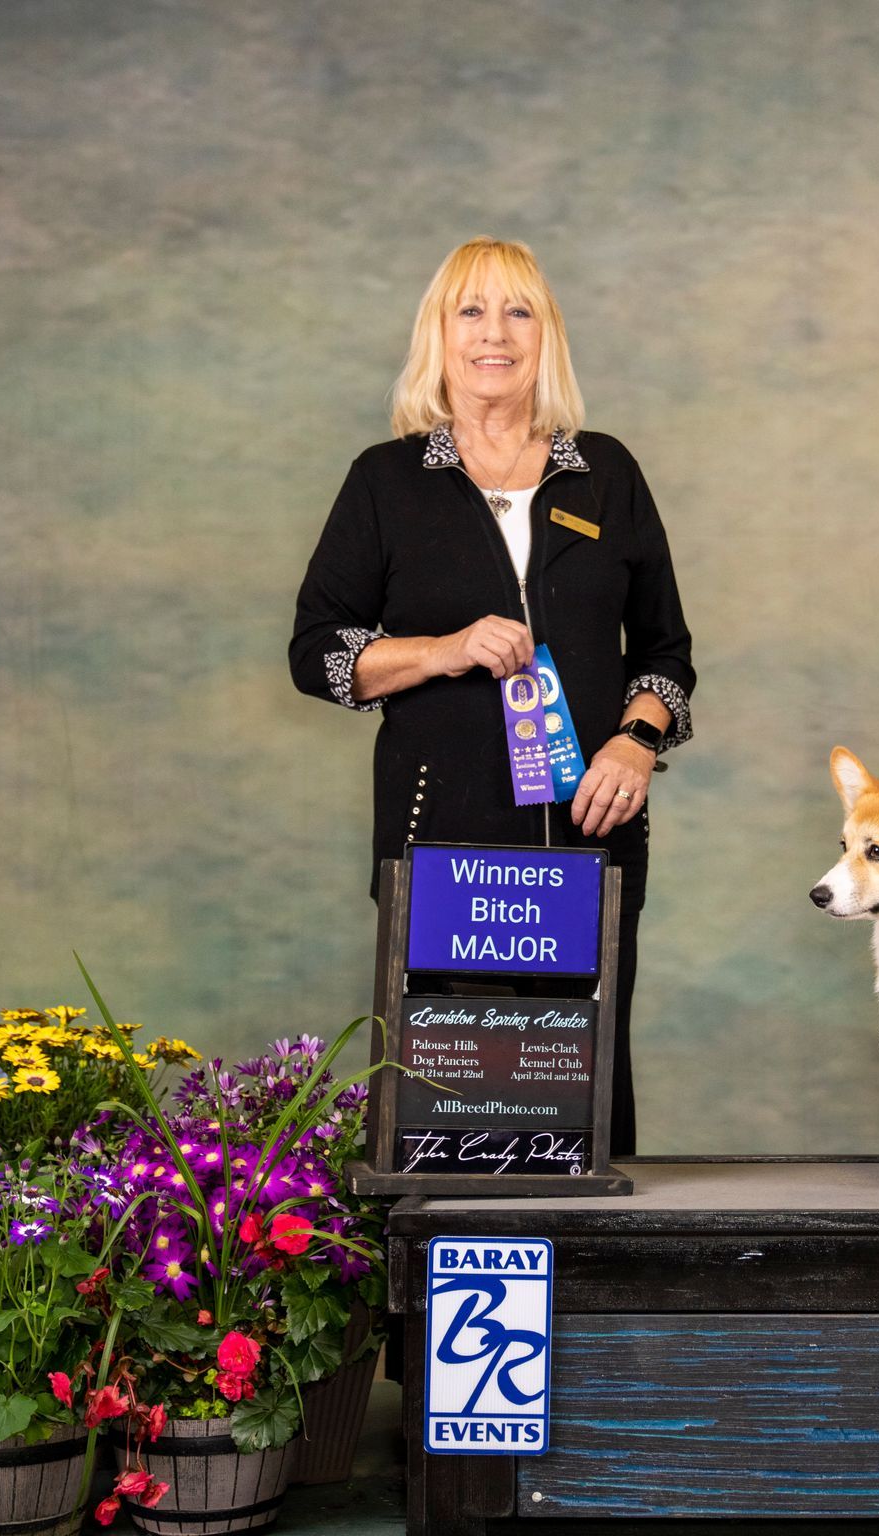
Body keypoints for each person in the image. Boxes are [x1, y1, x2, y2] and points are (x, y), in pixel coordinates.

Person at [289, 237, 695, 1156]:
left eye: (518, 311)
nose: (494, 334)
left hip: (590, 834)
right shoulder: (386, 481)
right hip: (446, 852)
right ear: (439, 333)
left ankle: (590, 1288)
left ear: (545, 334)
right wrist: (442, 649)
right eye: (470, 311)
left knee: (581, 1104)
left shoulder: (606, 470)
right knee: (447, 1104)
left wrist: (635, 742)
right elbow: (317, 653)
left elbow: (666, 651)